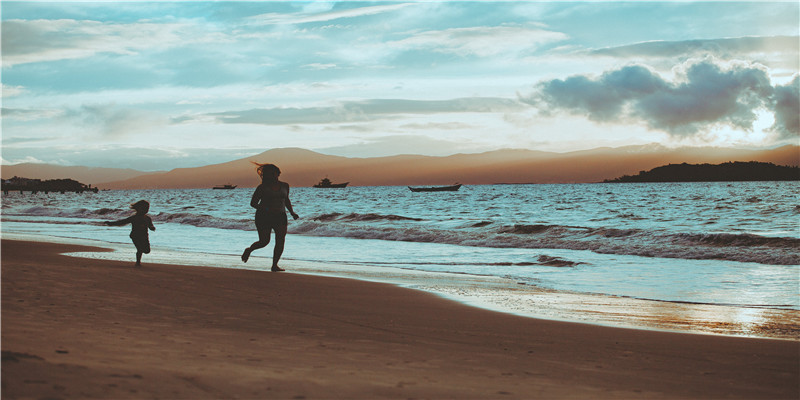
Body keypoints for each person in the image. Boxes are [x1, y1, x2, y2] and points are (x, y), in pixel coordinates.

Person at [241, 163, 299, 271]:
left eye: (274, 173)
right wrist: (267, 209)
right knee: (264, 241)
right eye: (269, 174)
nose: (272, 176)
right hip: (264, 216)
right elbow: (253, 203)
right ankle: (249, 250)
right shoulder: (262, 187)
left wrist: (292, 212)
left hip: (281, 216)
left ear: (278, 173)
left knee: (280, 240)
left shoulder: (285, 185)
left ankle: (274, 265)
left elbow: (286, 200)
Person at [105, 200, 156, 267]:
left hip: (144, 236)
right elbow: (122, 222)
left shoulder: (148, 218)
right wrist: (111, 223)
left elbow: (150, 225)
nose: (146, 210)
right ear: (138, 208)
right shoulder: (134, 218)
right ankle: (138, 263)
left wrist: (152, 228)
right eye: (144, 208)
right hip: (135, 236)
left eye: (147, 208)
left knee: (147, 251)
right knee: (139, 249)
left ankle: (138, 260)